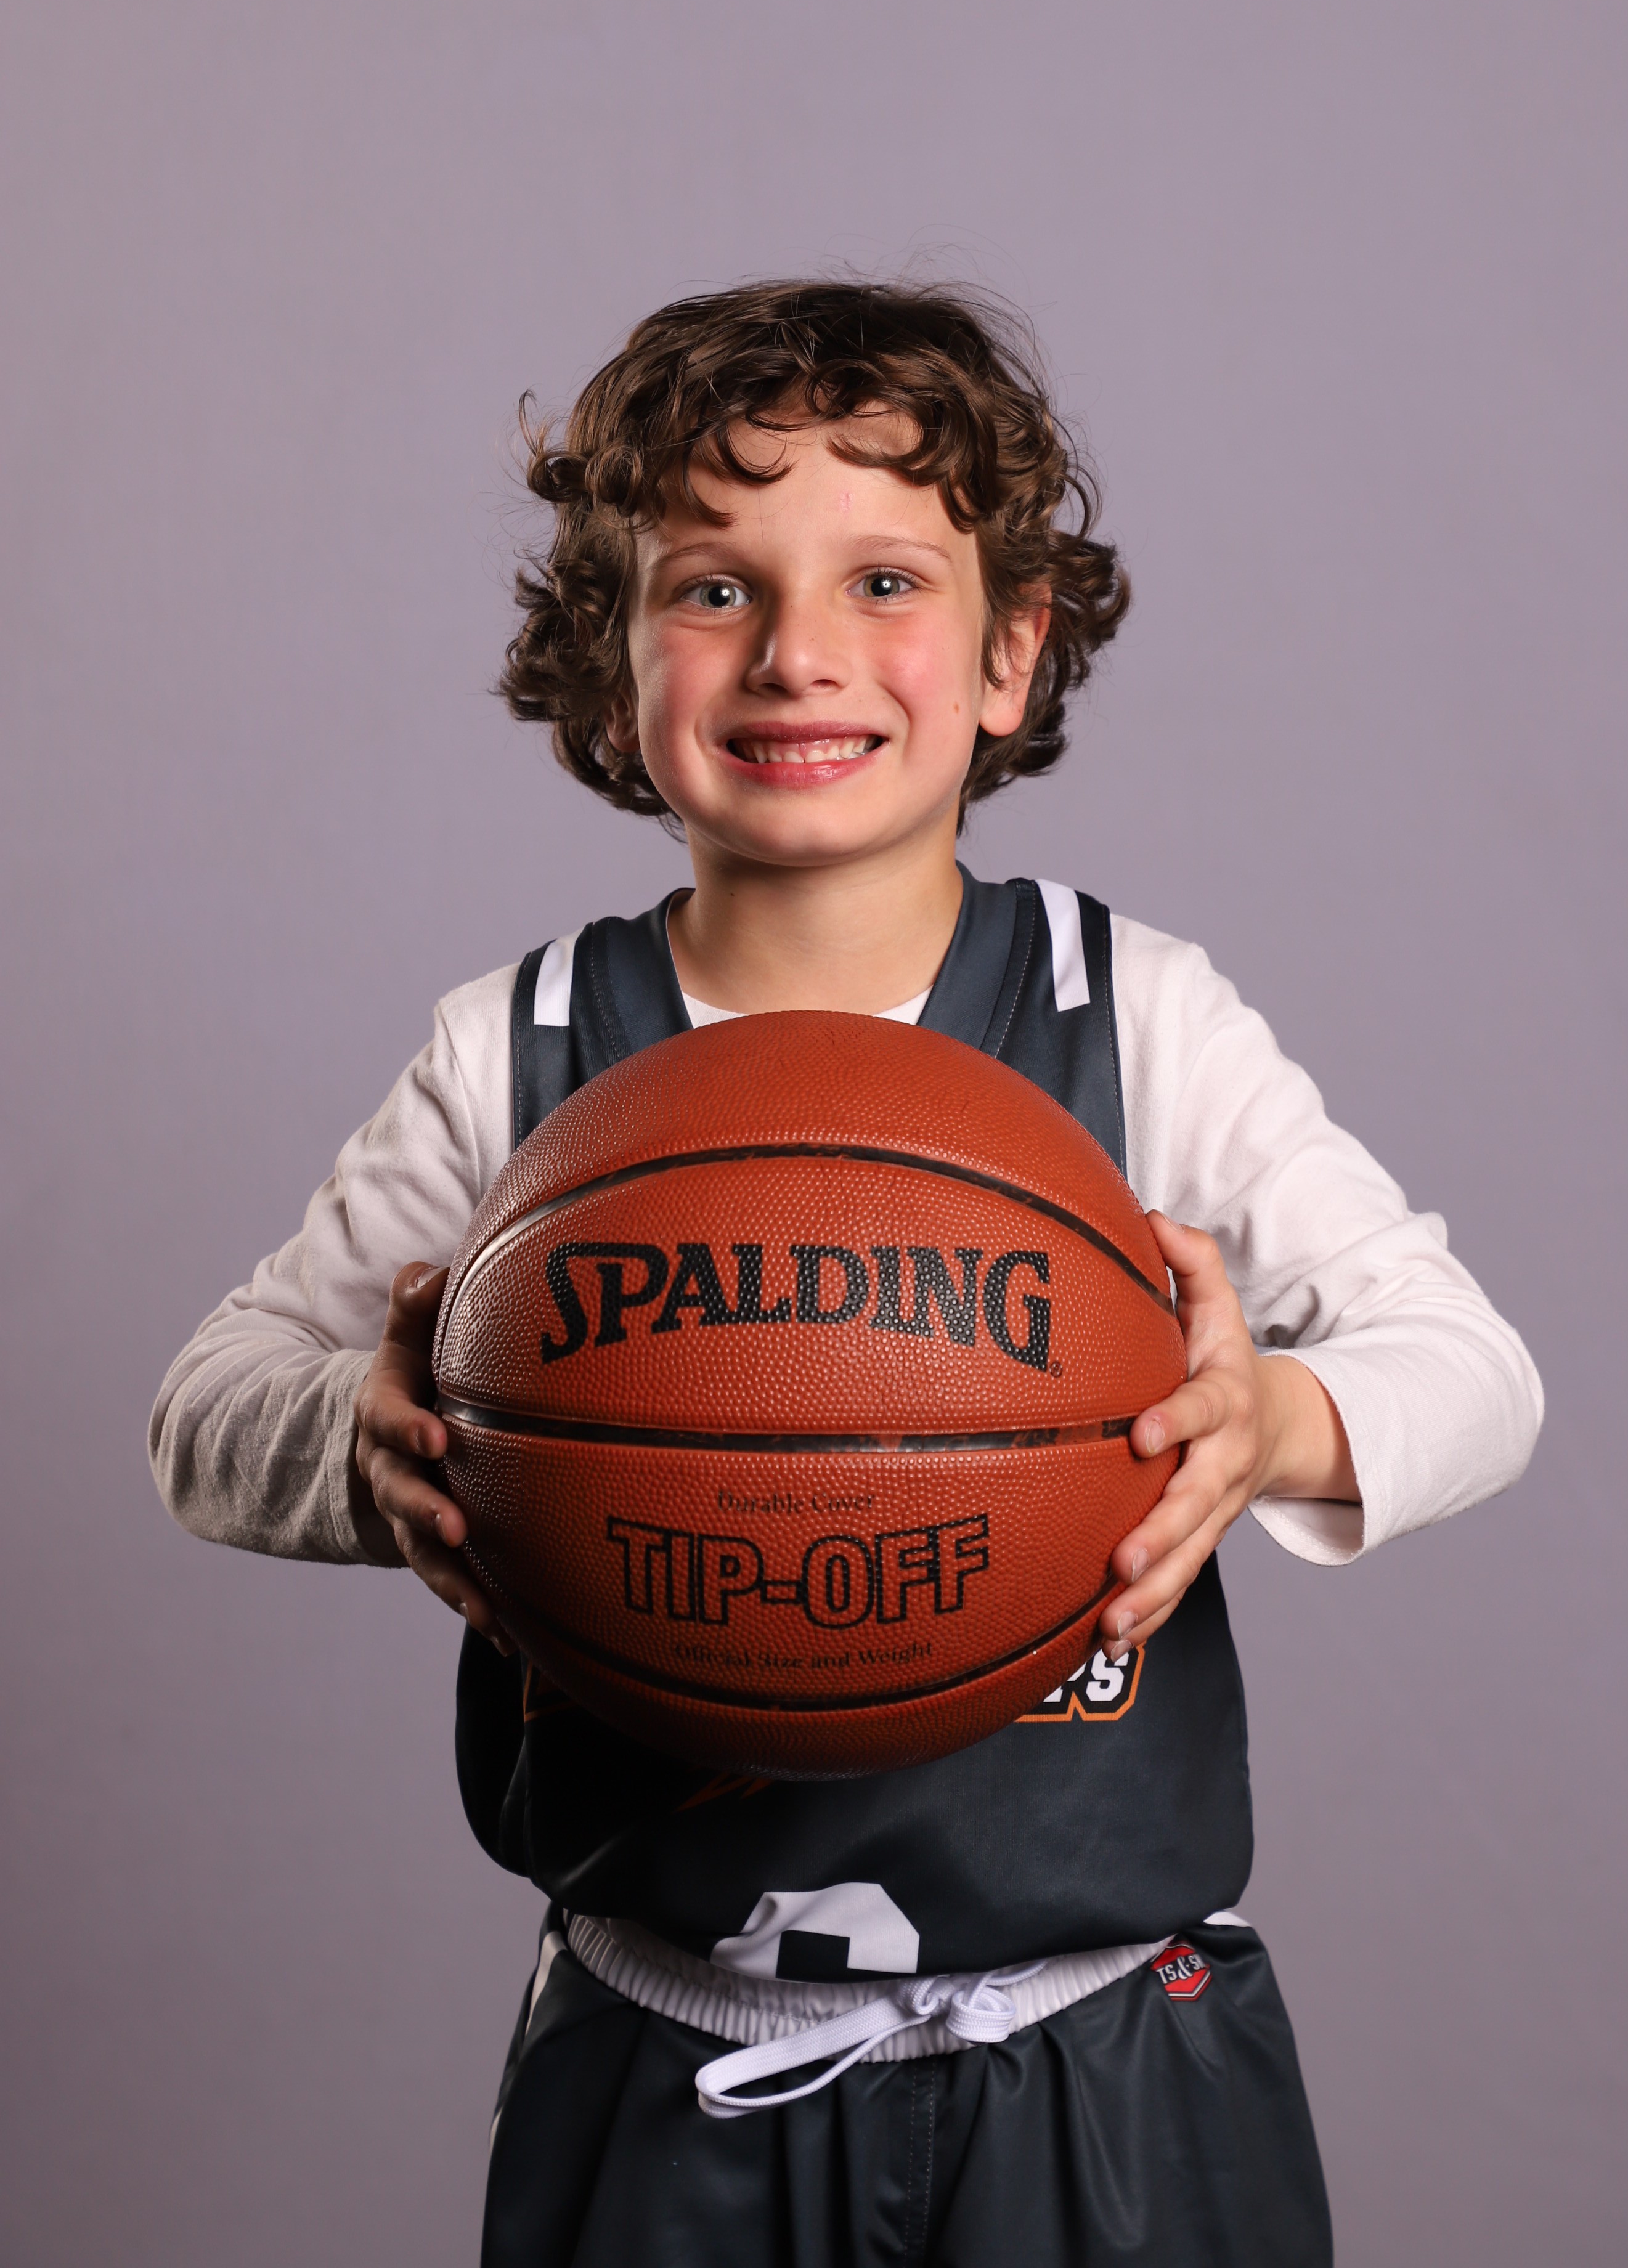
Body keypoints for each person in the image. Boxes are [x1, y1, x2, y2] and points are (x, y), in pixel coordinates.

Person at [151, 279, 1542, 2266]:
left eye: (885, 582)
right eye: (714, 590)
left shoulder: (1131, 1017)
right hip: (665, 2054)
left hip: (1102, 2064)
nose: (799, 652)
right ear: (611, 665)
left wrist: (1270, 1422)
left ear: (1009, 653)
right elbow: (205, 1412)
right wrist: (369, 1447)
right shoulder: (522, 1054)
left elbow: (1474, 1370)